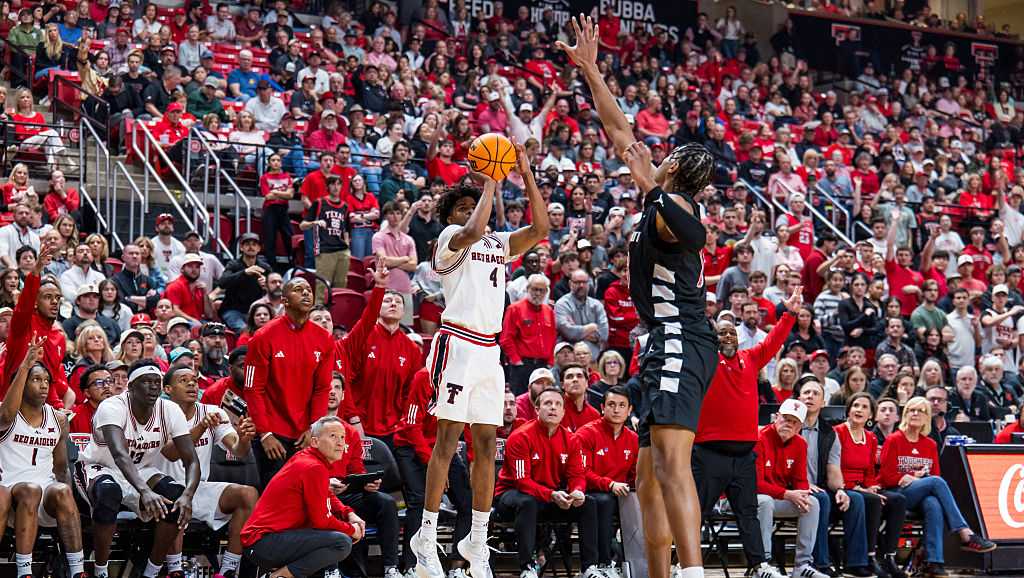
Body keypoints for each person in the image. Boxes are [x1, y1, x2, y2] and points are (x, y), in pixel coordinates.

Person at [559, 15, 718, 578]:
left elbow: (694, 235)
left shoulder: (684, 208)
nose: (658, 154)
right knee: (648, 476)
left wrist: (652, 187)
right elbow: (619, 132)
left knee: (674, 468)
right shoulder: (657, 192)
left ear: (677, 168)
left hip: (683, 339)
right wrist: (591, 71)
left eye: (667, 157)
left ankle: (694, 575)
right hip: (658, 343)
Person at [412, 139, 549, 578]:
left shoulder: (498, 242)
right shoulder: (452, 238)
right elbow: (473, 229)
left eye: (478, 204)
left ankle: (476, 539)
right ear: (452, 214)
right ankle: (427, 537)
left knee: (488, 444)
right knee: (448, 440)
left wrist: (523, 174)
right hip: (456, 344)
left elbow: (541, 229)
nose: (476, 211)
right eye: (465, 205)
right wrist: (489, 183)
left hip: (489, 349)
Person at [694, 290, 801, 578]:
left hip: (743, 455)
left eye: (732, 333)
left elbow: (773, 341)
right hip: (709, 452)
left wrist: (788, 314)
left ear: (739, 338)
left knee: (749, 514)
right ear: (714, 337)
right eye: (722, 332)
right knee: (696, 513)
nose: (728, 337)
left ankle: (757, 566)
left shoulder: (751, 359)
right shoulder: (706, 360)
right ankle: (686, 566)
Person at [78, 360, 201, 578]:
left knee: (175, 497)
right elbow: (119, 454)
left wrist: (188, 496)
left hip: (141, 468)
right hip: (100, 467)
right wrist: (144, 491)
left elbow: (191, 459)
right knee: (109, 493)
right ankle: (101, 570)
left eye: (157, 382)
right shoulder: (112, 406)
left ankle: (151, 572)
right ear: (131, 386)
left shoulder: (170, 410)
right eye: (146, 382)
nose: (154, 387)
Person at [158, 363, 259, 578]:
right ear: (167, 389)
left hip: (199, 488)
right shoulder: (158, 413)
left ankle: (228, 569)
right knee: (175, 496)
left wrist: (244, 438)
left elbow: (238, 450)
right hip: (162, 489)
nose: (192, 384)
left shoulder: (212, 412)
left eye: (194, 380)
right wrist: (201, 427)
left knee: (247, 494)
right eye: (183, 381)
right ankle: (175, 570)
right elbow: (172, 453)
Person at [0, 337, 89, 578]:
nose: (43, 386)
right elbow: (6, 418)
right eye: (35, 379)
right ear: (20, 384)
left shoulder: (58, 418)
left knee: (62, 490)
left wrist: (69, 507)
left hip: (45, 493)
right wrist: (26, 365)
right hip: (9, 490)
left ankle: (78, 570)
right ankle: (24, 571)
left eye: (46, 381)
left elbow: (61, 468)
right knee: (30, 490)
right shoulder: (7, 413)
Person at [879, 397, 996, 577]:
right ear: (905, 414)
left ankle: (934, 562)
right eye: (911, 410)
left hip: (920, 494)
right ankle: (964, 532)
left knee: (933, 503)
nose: (916, 414)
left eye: (921, 411)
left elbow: (934, 475)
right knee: (936, 483)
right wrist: (907, 477)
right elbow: (886, 477)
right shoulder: (894, 440)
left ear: (927, 418)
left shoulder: (930, 444)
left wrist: (918, 481)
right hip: (898, 493)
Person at [494, 388, 600, 578]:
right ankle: (527, 567)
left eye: (558, 404)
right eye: (548, 403)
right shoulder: (521, 436)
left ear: (564, 412)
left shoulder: (571, 440)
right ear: (536, 409)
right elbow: (522, 482)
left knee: (588, 503)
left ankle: (589, 568)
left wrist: (577, 491)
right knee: (527, 502)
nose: (553, 408)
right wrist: (552, 495)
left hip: (549, 496)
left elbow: (577, 475)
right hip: (511, 495)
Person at [241, 416, 364, 578]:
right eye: (333, 436)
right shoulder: (313, 467)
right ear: (314, 442)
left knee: (330, 539)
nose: (340, 442)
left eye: (342, 437)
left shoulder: (308, 458)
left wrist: (348, 513)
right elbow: (321, 521)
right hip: (264, 543)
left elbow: (325, 493)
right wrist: (351, 530)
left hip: (264, 541)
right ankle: (278, 577)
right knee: (341, 542)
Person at [244, 277, 335, 489]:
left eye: (308, 290)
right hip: (272, 433)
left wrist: (314, 428)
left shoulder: (324, 338)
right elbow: (252, 388)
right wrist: (264, 433)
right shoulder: (263, 336)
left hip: (305, 433)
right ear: (284, 301)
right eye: (298, 290)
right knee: (273, 497)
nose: (306, 293)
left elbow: (322, 388)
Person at [836, 392, 908, 578]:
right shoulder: (838, 432)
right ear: (848, 410)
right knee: (873, 500)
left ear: (870, 415)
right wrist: (858, 488)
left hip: (863, 488)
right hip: (842, 486)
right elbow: (834, 466)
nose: (859, 410)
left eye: (864, 407)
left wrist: (869, 486)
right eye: (856, 406)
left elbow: (869, 471)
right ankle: (869, 557)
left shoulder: (871, 438)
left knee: (898, 500)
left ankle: (889, 557)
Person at [755, 398, 828, 578]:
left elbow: (800, 481)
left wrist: (801, 494)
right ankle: (762, 565)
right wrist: (788, 494)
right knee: (764, 502)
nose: (788, 424)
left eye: (794, 421)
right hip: (753, 498)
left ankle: (802, 565)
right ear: (776, 417)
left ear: (799, 427)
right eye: (785, 418)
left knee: (812, 503)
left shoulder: (800, 443)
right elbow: (755, 485)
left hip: (778, 497)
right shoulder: (759, 438)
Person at [575, 386, 640, 578]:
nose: (617, 410)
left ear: (629, 410)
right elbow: (580, 471)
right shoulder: (586, 433)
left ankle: (638, 564)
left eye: (622, 405)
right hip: (590, 492)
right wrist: (609, 484)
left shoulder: (633, 439)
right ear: (602, 407)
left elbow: (635, 475)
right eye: (611, 405)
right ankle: (600, 565)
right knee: (603, 501)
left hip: (621, 495)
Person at [501, 273, 556, 395]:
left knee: (543, 401)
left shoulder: (549, 311)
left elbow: (552, 338)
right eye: (535, 289)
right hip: (522, 366)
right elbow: (506, 339)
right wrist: (516, 361)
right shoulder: (515, 309)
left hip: (543, 366)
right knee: (520, 401)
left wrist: (550, 362)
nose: (538, 293)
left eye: (541, 290)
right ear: (527, 288)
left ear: (546, 292)